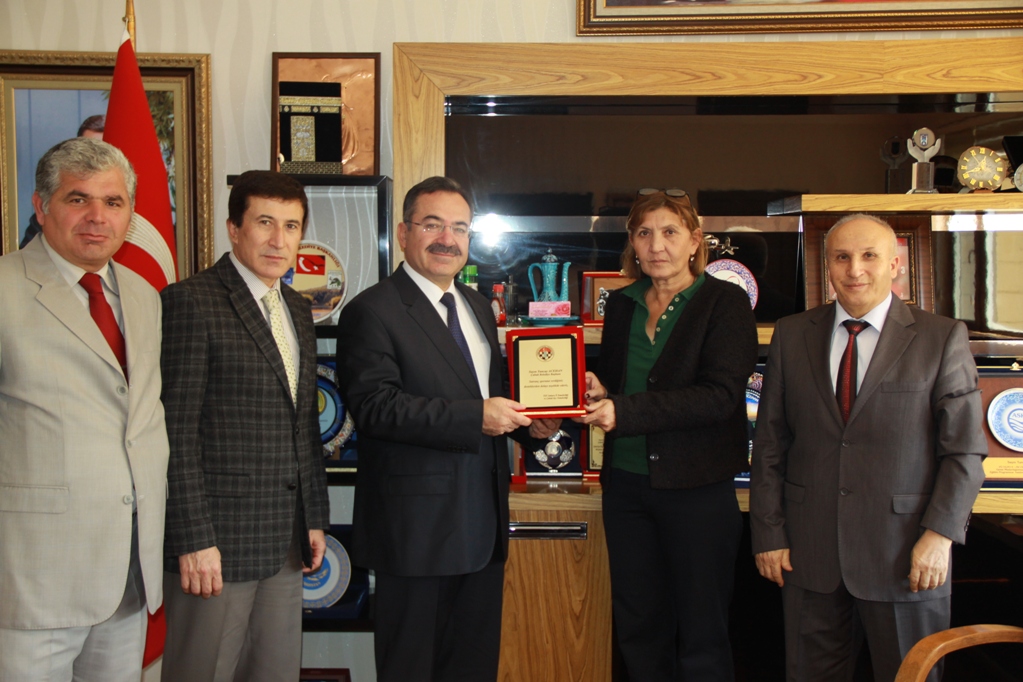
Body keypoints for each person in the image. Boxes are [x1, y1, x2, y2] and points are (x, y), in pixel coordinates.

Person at [336, 176, 559, 682]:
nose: (447, 239)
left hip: (482, 527)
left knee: (473, 668)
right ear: (403, 233)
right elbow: (376, 408)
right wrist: (478, 416)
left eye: (459, 228)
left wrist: (531, 426)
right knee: (411, 670)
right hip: (415, 534)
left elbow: (487, 392)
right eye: (432, 224)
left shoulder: (476, 306)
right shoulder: (371, 311)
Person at [750, 214, 987, 682]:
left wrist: (939, 536)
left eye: (869, 256)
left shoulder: (941, 337)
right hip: (809, 555)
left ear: (895, 264)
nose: (854, 269)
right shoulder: (792, 334)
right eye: (841, 257)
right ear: (827, 266)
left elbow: (963, 451)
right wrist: (769, 533)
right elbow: (772, 444)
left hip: (906, 556)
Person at [0, 137, 169, 680]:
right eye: (78, 199)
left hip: (128, 575)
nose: (98, 216)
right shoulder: (4, 289)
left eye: (113, 202)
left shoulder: (143, 296)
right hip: (31, 577)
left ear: (130, 214)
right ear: (41, 206)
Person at [576, 189, 758, 681]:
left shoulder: (725, 302)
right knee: (638, 626)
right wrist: (600, 391)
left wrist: (624, 410)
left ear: (695, 241)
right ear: (632, 243)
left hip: (697, 489)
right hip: (626, 487)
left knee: (702, 632)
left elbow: (719, 397)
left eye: (670, 232)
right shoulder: (623, 304)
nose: (656, 245)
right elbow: (625, 385)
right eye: (644, 233)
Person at [159, 170, 330, 681]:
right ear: (234, 229)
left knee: (274, 672)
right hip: (216, 545)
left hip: (285, 539)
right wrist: (193, 538)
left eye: (291, 226)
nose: (279, 240)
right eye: (264, 223)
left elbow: (302, 424)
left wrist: (313, 517)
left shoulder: (297, 307)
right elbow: (175, 433)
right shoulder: (191, 301)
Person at [20, 115, 107, 249]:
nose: (96, 160)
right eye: (90, 151)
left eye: (104, 152)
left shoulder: (138, 209)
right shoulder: (50, 212)